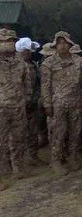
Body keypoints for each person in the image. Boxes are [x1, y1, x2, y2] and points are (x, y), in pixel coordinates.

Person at [41, 31, 82, 175]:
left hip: (76, 104)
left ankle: (73, 157)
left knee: (75, 132)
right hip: (57, 105)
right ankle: (56, 160)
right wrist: (47, 104)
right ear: (55, 45)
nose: (62, 45)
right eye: (59, 43)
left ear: (70, 44)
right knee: (58, 134)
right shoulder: (48, 63)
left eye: (65, 42)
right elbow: (45, 86)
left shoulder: (79, 61)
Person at [0, 28, 32, 190]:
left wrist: (26, 99)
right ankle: (2, 174)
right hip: (1, 108)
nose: (7, 44)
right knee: (1, 142)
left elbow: (27, 83)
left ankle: (18, 168)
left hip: (18, 107)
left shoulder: (20, 62)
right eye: (4, 41)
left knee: (19, 138)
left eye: (10, 41)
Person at [15, 38, 47, 165]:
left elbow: (39, 84)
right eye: (26, 50)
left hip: (32, 104)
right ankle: (18, 160)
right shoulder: (15, 66)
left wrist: (39, 98)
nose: (28, 53)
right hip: (17, 105)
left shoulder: (33, 65)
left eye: (29, 51)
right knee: (17, 133)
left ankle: (32, 156)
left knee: (32, 131)